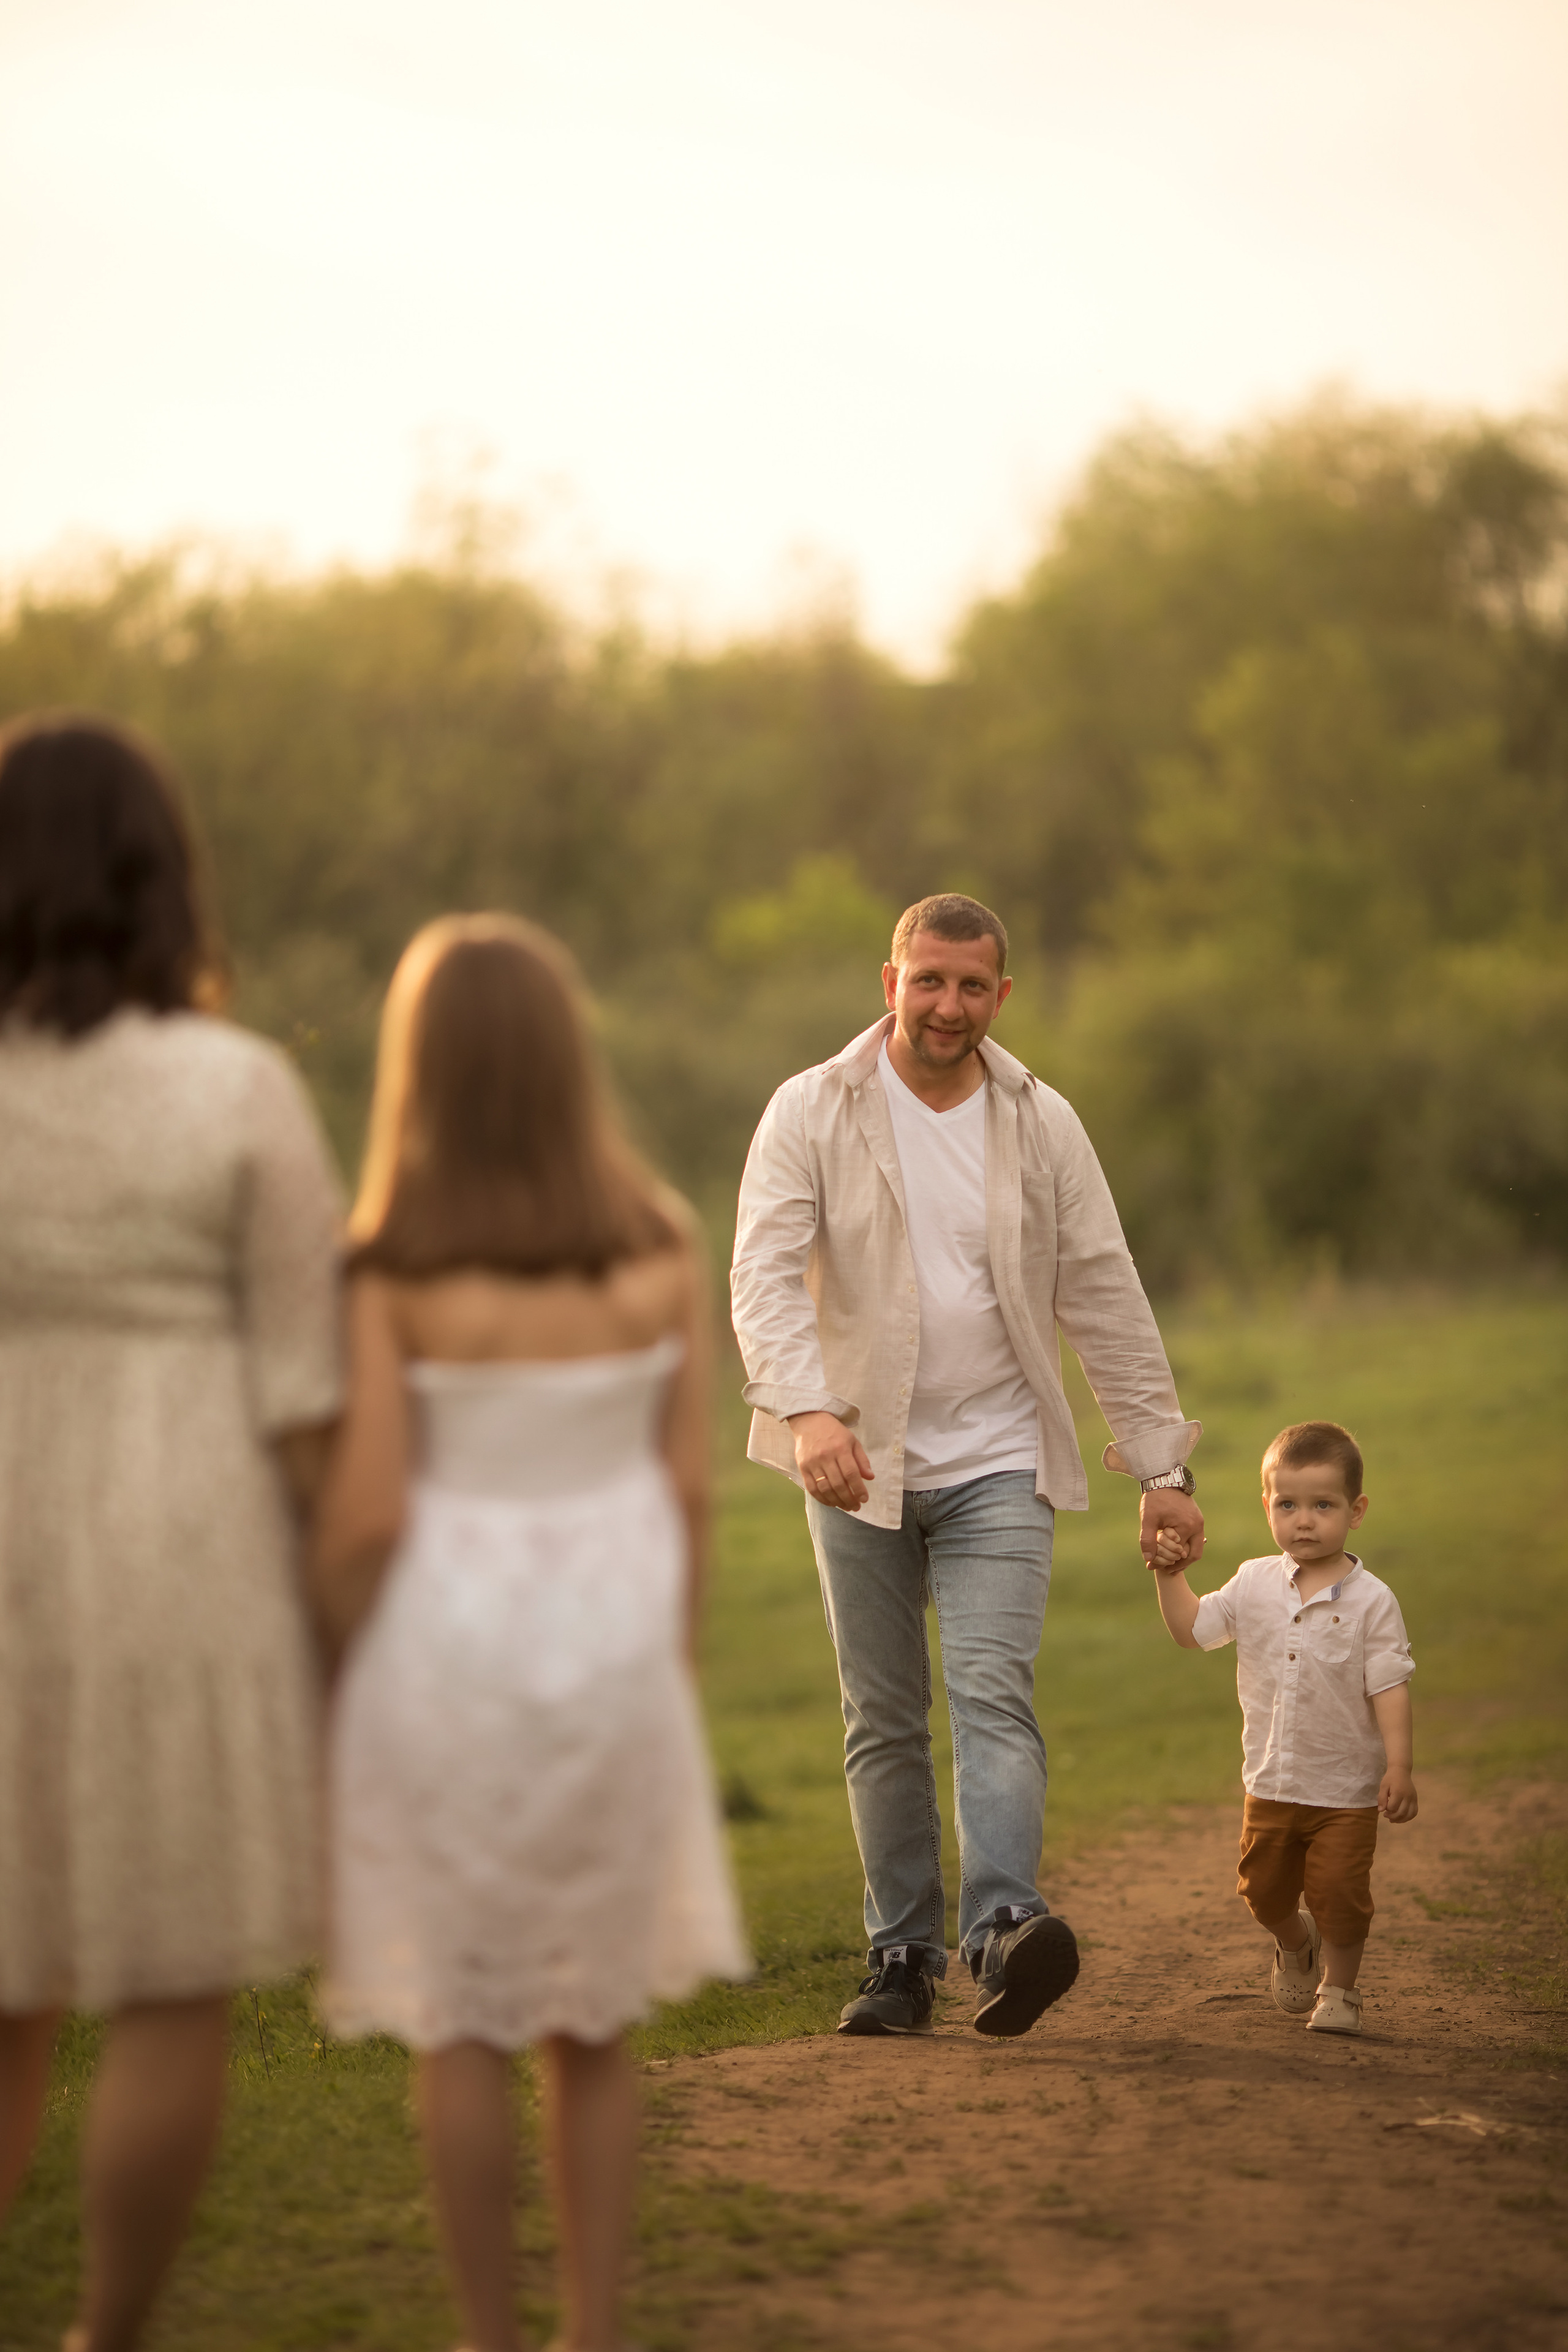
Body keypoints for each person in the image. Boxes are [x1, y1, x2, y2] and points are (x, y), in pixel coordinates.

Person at [312, 913, 748, 2352]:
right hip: (616, 1651)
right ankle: (595, 2326)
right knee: (593, 2018)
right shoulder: (657, 1241)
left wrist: (322, 1659)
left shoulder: (386, 1265)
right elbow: (688, 1488)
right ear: (571, 1059)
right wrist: (666, 1664)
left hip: (444, 1655)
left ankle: (489, 2334)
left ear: (417, 1072)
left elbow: (370, 1509)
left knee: (463, 2017)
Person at [0, 715, 344, 2350]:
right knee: (166, 1974)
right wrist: (345, 1630)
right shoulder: (240, 1087)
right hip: (179, 1556)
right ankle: (106, 2336)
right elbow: (304, 1394)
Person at [730, 893, 1203, 2038]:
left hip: (1000, 1455)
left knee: (993, 1691)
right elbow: (762, 1269)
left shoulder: (1043, 1124)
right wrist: (805, 1416)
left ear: (1002, 995)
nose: (949, 1006)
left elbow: (1103, 1289)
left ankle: (1001, 1930)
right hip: (854, 1463)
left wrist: (1160, 1465)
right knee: (882, 1714)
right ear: (888, 983)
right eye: (928, 981)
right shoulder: (813, 1108)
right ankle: (901, 1956)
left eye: (972, 986)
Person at [1149, 1419, 1417, 2036]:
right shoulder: (1253, 1584)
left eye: (1323, 1505)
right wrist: (1168, 1575)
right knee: (1263, 1893)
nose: (1304, 1520)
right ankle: (1296, 1941)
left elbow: (1390, 1688)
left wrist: (1398, 1766)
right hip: (1270, 1781)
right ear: (1266, 1505)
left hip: (1344, 1790)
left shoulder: (1372, 1601)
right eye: (1289, 1504)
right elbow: (1191, 1631)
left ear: (1356, 1511)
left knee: (1342, 1898)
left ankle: (1340, 1991)